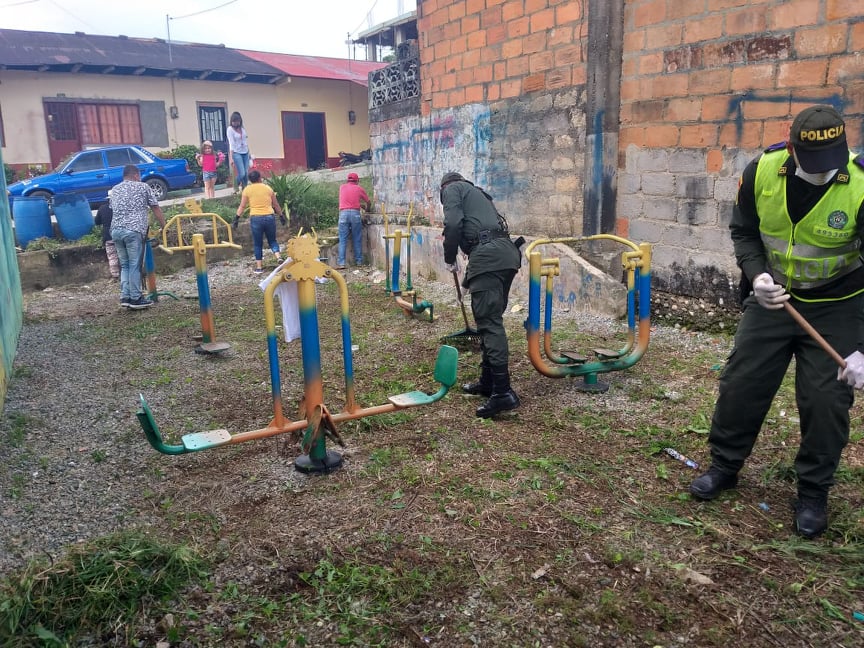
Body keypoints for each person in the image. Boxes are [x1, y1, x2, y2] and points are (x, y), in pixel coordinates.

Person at [689, 105, 864, 539]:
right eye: (813, 163)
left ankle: (812, 492)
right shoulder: (761, 172)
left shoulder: (860, 183)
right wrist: (756, 275)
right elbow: (744, 232)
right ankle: (725, 466)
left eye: (832, 164)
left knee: (826, 400)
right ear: (791, 148)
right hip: (774, 300)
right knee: (741, 382)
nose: (823, 174)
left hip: (838, 305)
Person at [440, 172, 523, 418]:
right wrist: (466, 282)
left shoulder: (452, 188)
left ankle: (502, 393)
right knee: (489, 319)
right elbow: (485, 238)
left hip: (489, 257)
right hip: (504, 255)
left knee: (489, 323)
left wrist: (449, 255)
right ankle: (488, 383)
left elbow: (453, 224)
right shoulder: (478, 194)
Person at [110, 165, 166, 309]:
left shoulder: (114, 189)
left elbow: (113, 208)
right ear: (135, 175)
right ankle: (136, 298)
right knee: (135, 264)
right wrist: (164, 225)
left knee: (125, 265)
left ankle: (125, 296)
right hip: (133, 231)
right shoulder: (143, 187)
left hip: (116, 230)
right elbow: (155, 207)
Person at [235, 169, 285, 275]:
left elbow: (242, 206)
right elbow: (275, 204)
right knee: (272, 240)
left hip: (256, 218)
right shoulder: (268, 188)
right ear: (259, 178)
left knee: (258, 243)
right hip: (269, 217)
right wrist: (281, 215)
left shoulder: (247, 190)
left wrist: (236, 218)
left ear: (250, 180)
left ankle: (259, 268)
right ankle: (278, 257)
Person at [337, 172, 371, 269]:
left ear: (347, 180)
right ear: (357, 180)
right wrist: (367, 209)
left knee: (342, 239)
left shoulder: (342, 187)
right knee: (357, 238)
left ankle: (341, 263)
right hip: (355, 214)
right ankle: (359, 262)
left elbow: (347, 201)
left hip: (343, 214)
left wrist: (358, 205)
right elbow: (368, 202)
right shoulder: (359, 188)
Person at [94, 192, 119, 279]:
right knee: (124, 256)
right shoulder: (120, 207)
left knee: (112, 257)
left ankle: (115, 275)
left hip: (108, 236)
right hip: (121, 235)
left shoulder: (102, 208)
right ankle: (126, 274)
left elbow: (97, 222)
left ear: (108, 199)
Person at [227, 111, 250, 191]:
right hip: (236, 153)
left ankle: (245, 190)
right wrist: (231, 158)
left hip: (245, 152)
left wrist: (249, 154)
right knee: (242, 173)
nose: (235, 123)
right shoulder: (230, 129)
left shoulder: (242, 129)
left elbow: (245, 140)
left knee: (246, 174)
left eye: (237, 121)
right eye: (234, 121)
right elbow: (231, 144)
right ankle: (235, 185)